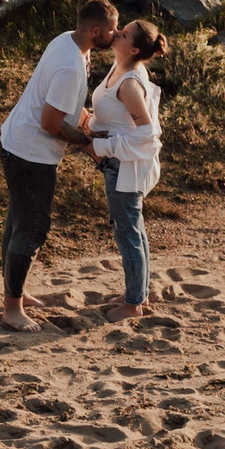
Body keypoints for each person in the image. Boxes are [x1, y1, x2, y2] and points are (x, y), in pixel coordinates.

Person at [0, 0, 122, 330]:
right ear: (96, 31)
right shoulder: (70, 66)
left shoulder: (69, 41)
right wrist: (87, 141)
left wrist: (86, 122)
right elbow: (51, 123)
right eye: (112, 30)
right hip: (30, 154)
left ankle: (15, 292)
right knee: (32, 229)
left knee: (18, 222)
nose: (117, 34)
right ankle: (11, 309)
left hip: (18, 141)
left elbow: (67, 106)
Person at [88, 19, 167, 318]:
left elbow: (147, 135)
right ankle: (138, 294)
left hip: (126, 169)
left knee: (128, 234)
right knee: (134, 231)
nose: (117, 33)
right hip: (119, 163)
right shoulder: (119, 66)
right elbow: (118, 119)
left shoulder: (130, 83)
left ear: (134, 49)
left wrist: (102, 146)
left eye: (123, 34)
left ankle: (133, 304)